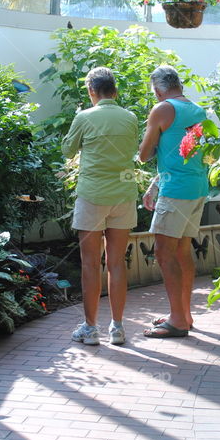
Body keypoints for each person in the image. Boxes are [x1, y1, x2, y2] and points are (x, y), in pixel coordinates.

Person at [61, 67, 139, 346]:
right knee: (116, 264)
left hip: (92, 196)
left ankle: (90, 329)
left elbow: (67, 151)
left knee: (90, 265)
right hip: (124, 195)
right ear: (115, 91)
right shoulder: (130, 117)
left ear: (91, 91)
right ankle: (117, 328)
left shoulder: (84, 117)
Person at [138, 65, 208, 338]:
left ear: (157, 89)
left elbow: (144, 154)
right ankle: (184, 315)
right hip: (197, 186)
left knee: (164, 253)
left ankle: (178, 320)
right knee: (182, 251)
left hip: (176, 191)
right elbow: (185, 154)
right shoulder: (196, 109)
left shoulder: (162, 109)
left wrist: (153, 139)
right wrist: (154, 184)